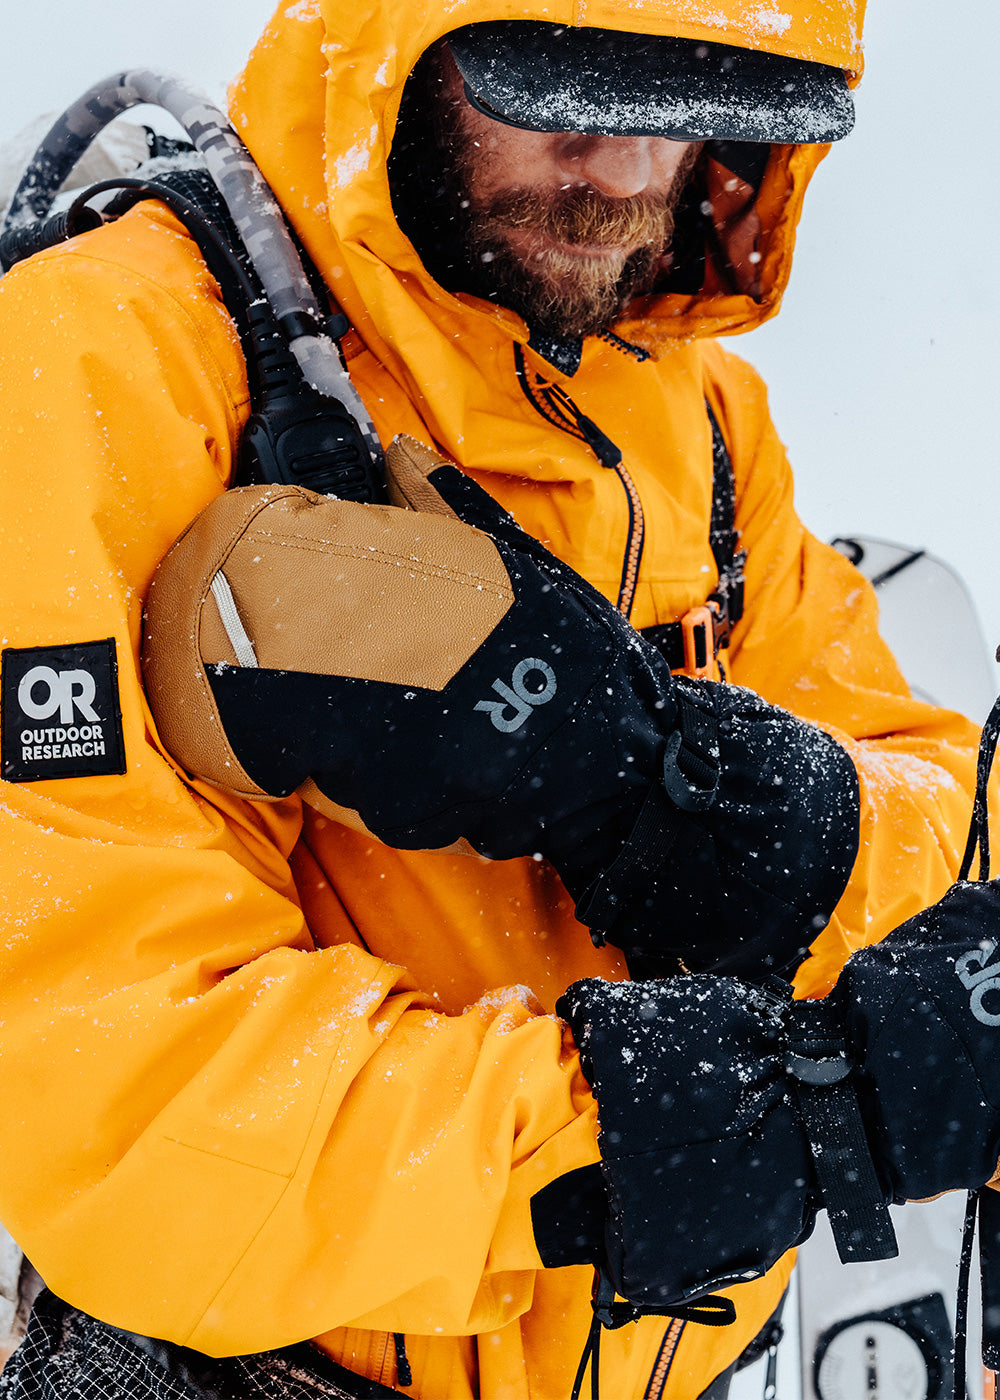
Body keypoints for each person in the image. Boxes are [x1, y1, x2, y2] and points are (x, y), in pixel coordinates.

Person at [0, 0, 992, 1397]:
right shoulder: (96, 363)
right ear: (399, 47)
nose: (621, 165)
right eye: (561, 88)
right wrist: (745, 1120)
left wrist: (744, 811)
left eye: (684, 101)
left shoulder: (700, 416)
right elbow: (114, 1104)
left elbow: (943, 811)